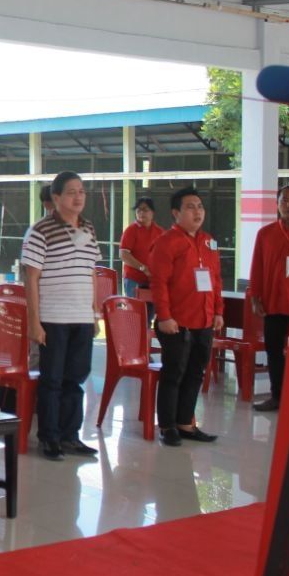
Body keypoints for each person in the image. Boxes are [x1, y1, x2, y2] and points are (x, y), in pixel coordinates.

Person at [22, 171, 101, 461]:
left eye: (81, 191)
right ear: (55, 198)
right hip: (53, 317)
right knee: (52, 380)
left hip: (81, 316)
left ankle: (70, 435)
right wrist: (34, 322)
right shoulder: (40, 230)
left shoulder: (89, 228)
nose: (78, 197)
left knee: (76, 378)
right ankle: (49, 437)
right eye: (71, 192)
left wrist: (94, 313)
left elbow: (92, 272)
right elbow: (31, 278)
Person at [148, 187, 222, 446]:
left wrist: (218, 312)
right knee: (174, 374)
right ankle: (167, 426)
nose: (197, 211)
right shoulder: (167, 242)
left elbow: (215, 280)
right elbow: (158, 282)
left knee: (195, 374)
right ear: (176, 213)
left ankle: (186, 423)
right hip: (176, 323)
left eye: (200, 206)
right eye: (191, 207)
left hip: (203, 321)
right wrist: (164, 316)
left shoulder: (208, 241)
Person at [248, 185, 289, 412]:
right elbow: (257, 268)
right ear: (278, 204)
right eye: (285, 200)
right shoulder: (266, 233)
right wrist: (255, 296)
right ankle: (277, 396)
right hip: (274, 303)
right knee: (273, 352)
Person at [119, 198, 163, 299]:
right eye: (138, 210)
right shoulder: (131, 230)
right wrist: (143, 268)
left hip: (153, 281)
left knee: (151, 312)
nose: (141, 213)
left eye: (145, 210)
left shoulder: (160, 232)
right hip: (133, 280)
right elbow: (123, 255)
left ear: (152, 212)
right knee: (136, 312)